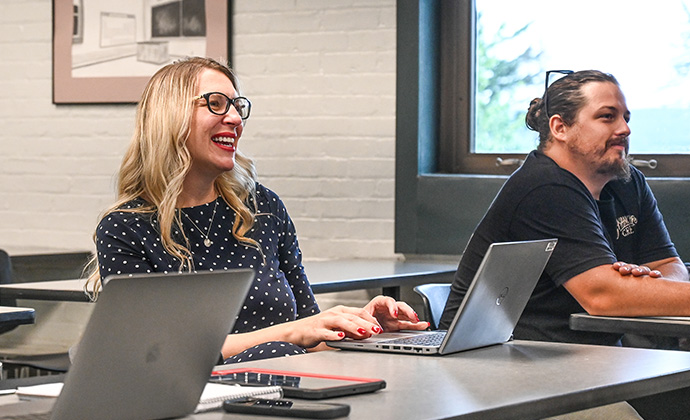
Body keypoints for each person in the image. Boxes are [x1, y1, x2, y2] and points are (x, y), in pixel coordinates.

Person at [87, 56, 428, 363]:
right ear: (169, 117)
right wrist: (291, 334)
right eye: (216, 104)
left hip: (286, 387)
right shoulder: (125, 227)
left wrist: (362, 330)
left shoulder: (264, 208)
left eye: (237, 106)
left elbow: (309, 333)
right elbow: (156, 351)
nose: (235, 118)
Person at [439, 70, 690, 347]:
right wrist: (633, 290)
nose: (624, 129)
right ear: (560, 128)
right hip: (502, 360)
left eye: (625, 118)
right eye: (607, 116)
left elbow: (668, 265)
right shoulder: (544, 187)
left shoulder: (628, 183)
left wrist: (647, 284)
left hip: (583, 355)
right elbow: (602, 295)